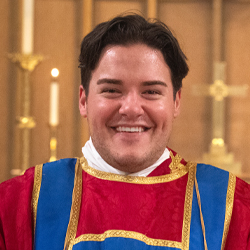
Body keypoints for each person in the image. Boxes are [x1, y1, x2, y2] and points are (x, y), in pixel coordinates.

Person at [0, 13, 250, 250]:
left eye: (151, 91)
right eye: (111, 90)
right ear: (83, 100)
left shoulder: (232, 210)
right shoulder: (21, 204)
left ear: (175, 102)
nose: (131, 108)